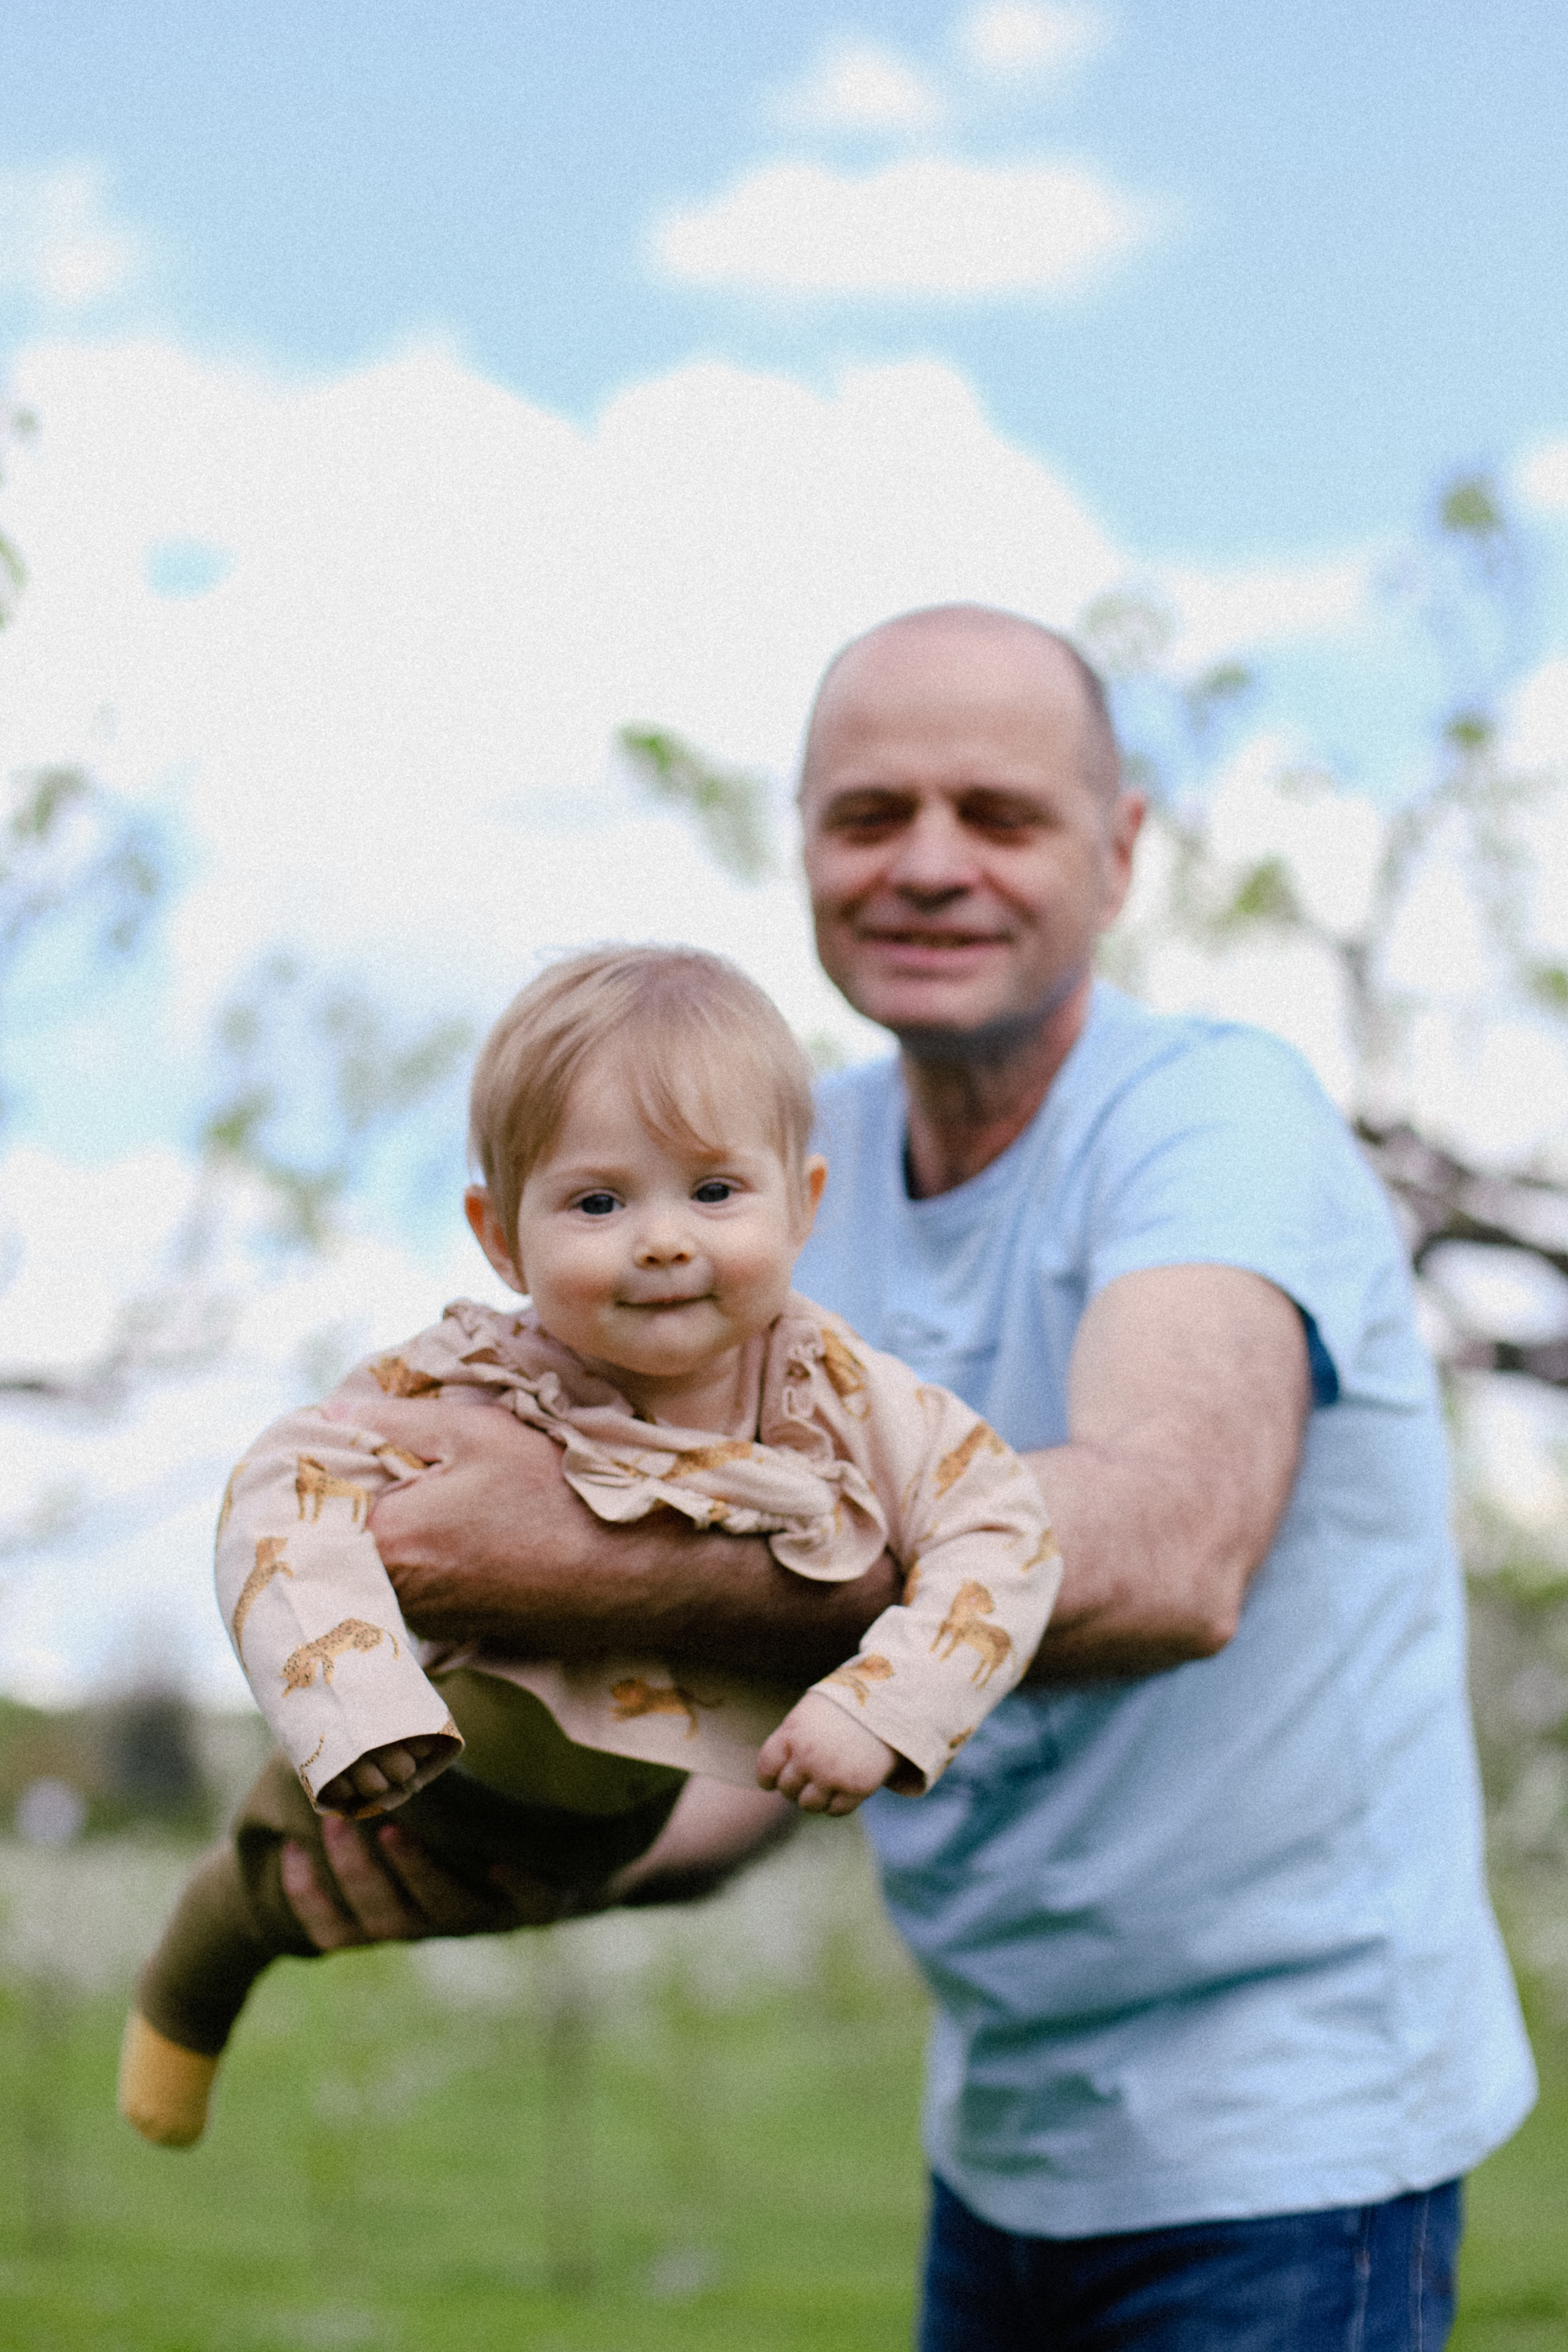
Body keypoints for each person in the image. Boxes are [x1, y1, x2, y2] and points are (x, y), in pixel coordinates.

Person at [275, 608, 1536, 2351]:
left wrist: (568, 1559)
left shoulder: (1216, 1123)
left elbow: (1171, 1551)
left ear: (1119, 851)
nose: (928, 865)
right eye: (870, 816)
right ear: (802, 843)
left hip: (1293, 2140)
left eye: (997, 815)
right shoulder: (785, 1181)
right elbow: (762, 1663)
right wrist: (547, 1830)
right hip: (1008, 2139)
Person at [118, 944, 1057, 2150]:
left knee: (471, 1915)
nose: (662, 1240)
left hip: (619, 1827)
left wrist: (884, 1702)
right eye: (598, 1202)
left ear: (803, 1205)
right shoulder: (473, 1379)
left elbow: (1004, 1524)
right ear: (500, 1235)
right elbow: (284, 1480)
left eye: (714, 1193)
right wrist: (355, 1707)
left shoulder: (835, 1392)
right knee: (262, 1897)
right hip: (417, 1765)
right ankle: (181, 2005)